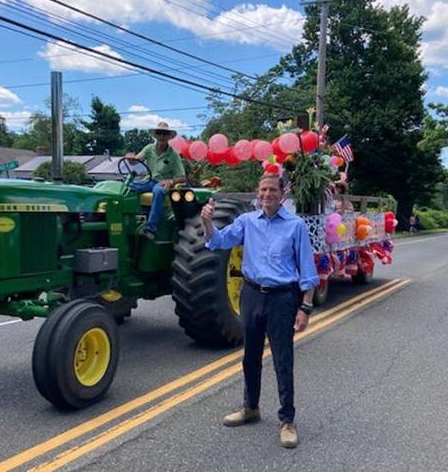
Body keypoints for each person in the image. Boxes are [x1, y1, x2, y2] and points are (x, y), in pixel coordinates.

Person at [201, 173, 319, 449]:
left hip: (282, 298)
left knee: (282, 358)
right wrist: (206, 221)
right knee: (250, 356)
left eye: (272, 190)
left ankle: (287, 420)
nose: (267, 194)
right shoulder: (246, 222)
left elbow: (308, 270)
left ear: (282, 193)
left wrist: (306, 307)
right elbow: (217, 241)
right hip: (252, 294)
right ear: (258, 192)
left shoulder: (295, 226)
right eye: (263, 189)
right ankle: (251, 408)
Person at [125, 121, 185, 240]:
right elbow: (136, 160)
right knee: (128, 187)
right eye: (159, 133)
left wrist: (170, 182)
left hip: (162, 183)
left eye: (165, 133)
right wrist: (130, 157)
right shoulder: (149, 148)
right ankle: (128, 221)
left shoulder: (173, 155)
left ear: (169, 137)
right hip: (148, 181)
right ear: (155, 135)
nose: (162, 136)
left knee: (158, 192)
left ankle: (151, 229)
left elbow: (182, 177)